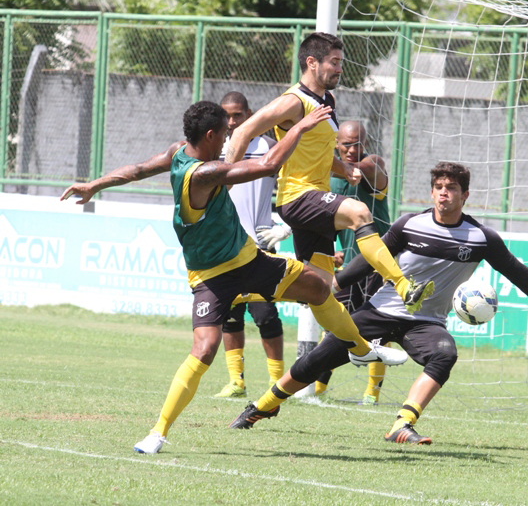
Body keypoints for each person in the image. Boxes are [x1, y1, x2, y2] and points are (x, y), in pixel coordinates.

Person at [60, 101, 408, 454]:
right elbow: (268, 165)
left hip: (249, 260)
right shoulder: (204, 172)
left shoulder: (178, 151)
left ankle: (360, 349)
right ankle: (157, 432)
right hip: (211, 278)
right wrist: (300, 128)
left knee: (318, 288)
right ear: (211, 136)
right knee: (204, 349)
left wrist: (94, 185)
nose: (229, 141)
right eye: (226, 135)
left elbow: (137, 170)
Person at [229, 161, 528, 444]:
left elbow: (516, 272)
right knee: (318, 359)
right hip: (380, 311)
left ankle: (402, 424)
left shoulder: (481, 238)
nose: (444, 193)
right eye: (439, 187)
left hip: (426, 323)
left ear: (465, 195)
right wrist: (332, 286)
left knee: (445, 354)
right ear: (431, 192)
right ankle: (263, 406)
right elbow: (370, 258)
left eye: (452, 188)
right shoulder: (410, 225)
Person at [224, 32, 433, 315]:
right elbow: (242, 132)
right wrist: (225, 182)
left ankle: (245, 292)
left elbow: (318, 151)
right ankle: (404, 286)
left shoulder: (327, 100)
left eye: (340, 62)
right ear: (312, 63)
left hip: (314, 197)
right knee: (360, 212)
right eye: (334, 62)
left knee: (322, 290)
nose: (340, 68)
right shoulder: (293, 102)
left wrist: (343, 168)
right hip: (297, 196)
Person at [213, 91, 292, 398]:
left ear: (249, 114)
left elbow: (293, 185)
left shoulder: (268, 147)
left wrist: (285, 226)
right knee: (230, 316)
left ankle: (278, 382)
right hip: (225, 246)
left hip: (260, 244)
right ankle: (237, 381)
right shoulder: (216, 150)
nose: (232, 121)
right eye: (227, 115)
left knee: (265, 316)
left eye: (238, 115)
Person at [315, 120, 391, 404]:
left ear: (365, 144)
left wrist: (342, 165)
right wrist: (333, 251)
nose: (351, 149)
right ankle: (317, 389)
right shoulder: (331, 179)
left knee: (379, 329)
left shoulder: (371, 168)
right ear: (337, 143)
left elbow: (374, 165)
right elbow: (327, 221)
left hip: (378, 265)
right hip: (349, 268)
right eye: (346, 144)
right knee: (333, 325)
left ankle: (372, 393)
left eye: (357, 144)